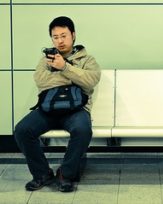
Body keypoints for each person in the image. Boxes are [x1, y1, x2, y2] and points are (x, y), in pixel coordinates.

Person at [14, 16, 101, 192]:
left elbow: (91, 80)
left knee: (83, 130)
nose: (60, 41)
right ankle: (42, 174)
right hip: (48, 108)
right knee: (22, 130)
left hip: (76, 110)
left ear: (73, 35)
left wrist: (65, 68)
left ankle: (66, 174)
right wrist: (74, 78)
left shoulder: (87, 59)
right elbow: (41, 80)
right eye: (55, 37)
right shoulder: (46, 59)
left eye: (64, 35)